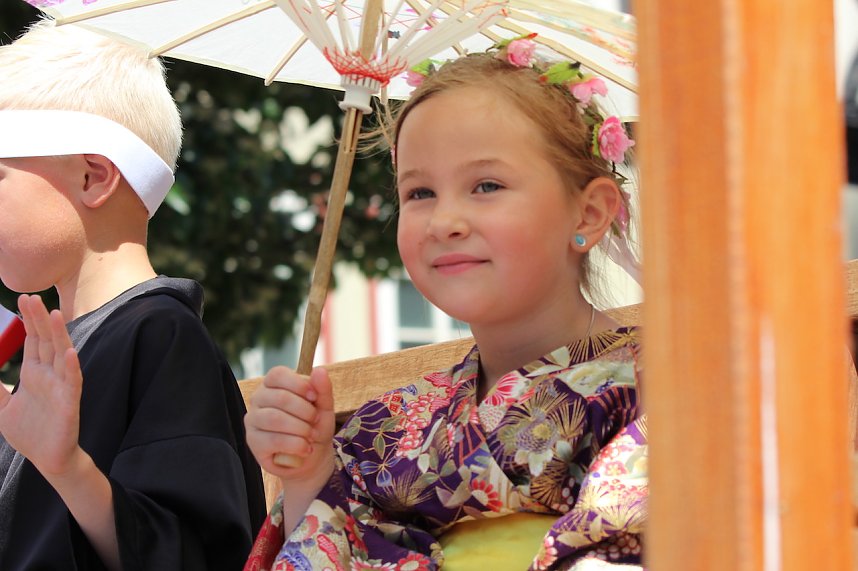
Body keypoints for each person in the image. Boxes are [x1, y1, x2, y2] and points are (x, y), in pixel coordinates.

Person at [244, 36, 645, 571]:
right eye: (419, 193)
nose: (444, 221)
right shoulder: (380, 428)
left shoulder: (657, 392)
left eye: (487, 185)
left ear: (589, 214)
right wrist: (309, 476)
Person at [0, 19, 266, 570]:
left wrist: (68, 467)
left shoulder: (161, 336)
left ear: (94, 177)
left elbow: (192, 555)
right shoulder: (60, 351)